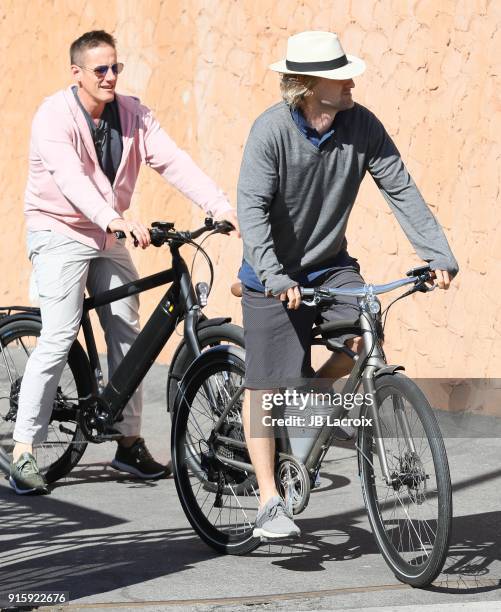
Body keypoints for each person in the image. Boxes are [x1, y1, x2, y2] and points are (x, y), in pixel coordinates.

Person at [237, 30, 458, 539]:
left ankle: (307, 410)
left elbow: (400, 185)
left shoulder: (360, 124)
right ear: (309, 85)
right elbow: (251, 212)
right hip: (274, 274)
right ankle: (270, 500)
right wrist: (273, 276)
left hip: (332, 266)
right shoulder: (269, 132)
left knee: (362, 337)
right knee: (267, 383)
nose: (352, 82)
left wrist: (437, 255)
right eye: (340, 76)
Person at [10, 30, 238, 495]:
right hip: (60, 231)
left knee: (126, 332)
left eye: (116, 67)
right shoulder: (53, 117)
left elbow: (173, 161)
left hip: (107, 232)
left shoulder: (133, 115)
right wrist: (113, 219)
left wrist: (219, 206)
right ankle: (23, 450)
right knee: (57, 334)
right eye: (100, 69)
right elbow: (71, 180)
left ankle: (128, 444)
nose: (111, 76)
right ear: (77, 74)